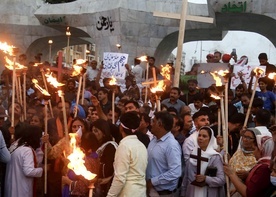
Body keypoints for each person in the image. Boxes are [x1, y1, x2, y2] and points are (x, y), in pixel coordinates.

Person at [107, 112, 148, 197]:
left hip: (127, 193)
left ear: (121, 128)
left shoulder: (124, 146)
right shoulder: (141, 146)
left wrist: (110, 196)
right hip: (140, 192)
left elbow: (120, 178)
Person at [181, 126, 225, 197]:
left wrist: (206, 178)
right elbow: (186, 178)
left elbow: (221, 180)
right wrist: (183, 193)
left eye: (204, 136)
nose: (200, 138)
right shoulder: (193, 154)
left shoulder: (214, 157)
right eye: (199, 135)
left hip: (208, 193)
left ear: (210, 140)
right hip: (192, 192)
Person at [146, 111, 182, 196]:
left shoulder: (171, 145)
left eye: (153, 121)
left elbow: (175, 172)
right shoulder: (154, 140)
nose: (151, 124)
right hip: (151, 191)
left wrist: (153, 181)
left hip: (164, 193)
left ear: (160, 124)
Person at [4, 125, 43, 197]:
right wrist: (42, 170)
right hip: (21, 190)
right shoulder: (27, 150)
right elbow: (28, 171)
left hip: (13, 187)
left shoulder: (15, 146)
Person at [92, 119, 118, 197]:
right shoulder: (96, 146)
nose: (93, 133)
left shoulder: (110, 147)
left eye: (96, 131)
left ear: (104, 133)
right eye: (92, 131)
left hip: (107, 188)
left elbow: (107, 170)